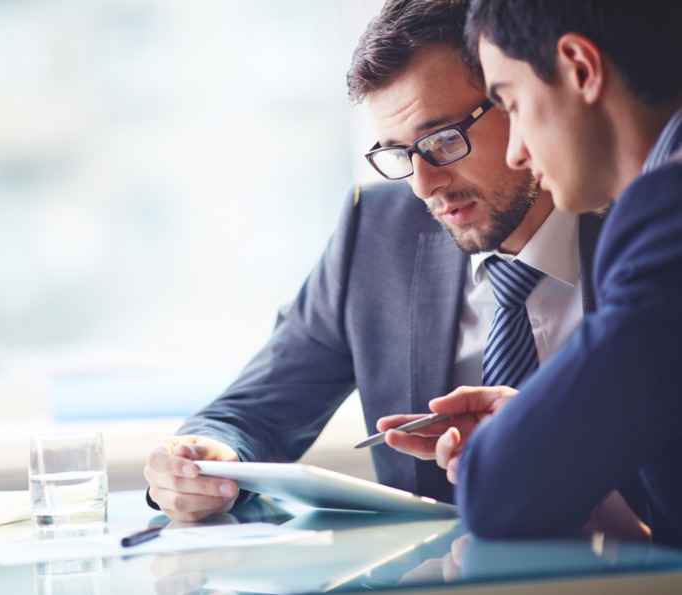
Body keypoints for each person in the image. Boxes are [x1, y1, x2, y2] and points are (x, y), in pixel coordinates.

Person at [143, 0, 604, 522]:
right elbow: (255, 408)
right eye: (399, 153)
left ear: (514, 97)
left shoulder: (644, 224)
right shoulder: (379, 231)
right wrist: (200, 458)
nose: (423, 185)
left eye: (443, 140)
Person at [380, 0, 682, 546]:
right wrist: (552, 430)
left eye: (511, 103)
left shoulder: (668, 211)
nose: (519, 150)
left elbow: (498, 492)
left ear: (580, 70)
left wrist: (526, 448)